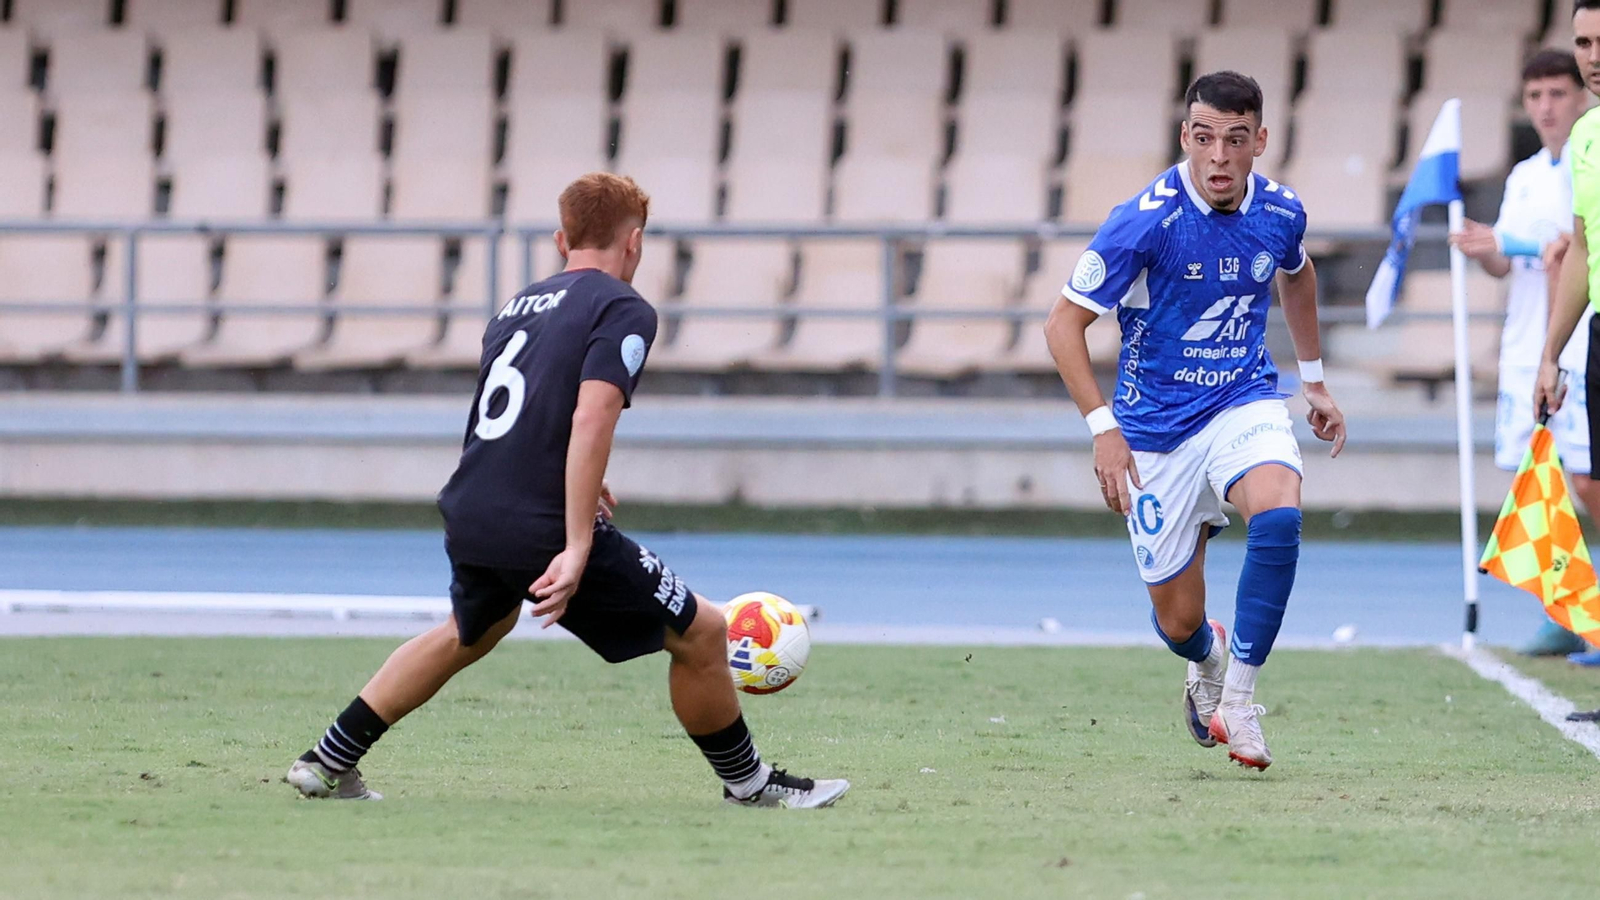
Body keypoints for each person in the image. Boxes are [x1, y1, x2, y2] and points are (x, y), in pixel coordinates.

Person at [284, 173, 849, 808]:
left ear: (561, 240)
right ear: (633, 243)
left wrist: (561, 472)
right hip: (539, 520)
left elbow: (509, 416)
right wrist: (577, 543)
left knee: (469, 631)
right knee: (701, 631)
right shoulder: (622, 307)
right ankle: (750, 785)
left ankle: (327, 759)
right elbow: (592, 415)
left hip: (474, 501)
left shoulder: (516, 306)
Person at [1044, 72, 1347, 770]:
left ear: (1259, 142)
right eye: (1204, 138)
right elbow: (1063, 324)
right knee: (1177, 622)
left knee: (1278, 513)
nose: (1219, 156)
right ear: (1186, 137)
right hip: (1153, 433)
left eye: (1236, 140)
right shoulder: (1143, 221)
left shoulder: (1281, 211)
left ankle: (1238, 700)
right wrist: (1104, 430)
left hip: (1243, 400)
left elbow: (1296, 275)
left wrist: (1314, 380)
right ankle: (1205, 659)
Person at [1452, 49, 1596, 659]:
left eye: (1556, 93)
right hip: (1524, 350)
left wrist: (1511, 239)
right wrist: (1481, 247)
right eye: (1535, 96)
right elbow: (1505, 262)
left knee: (1589, 482)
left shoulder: (1588, 158)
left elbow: (1572, 246)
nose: (1545, 107)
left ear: (1579, 95)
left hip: (1580, 343)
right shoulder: (1525, 174)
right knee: (1535, 483)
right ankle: (1565, 610)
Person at [1540, 1, 1600, 674]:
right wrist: (1550, 355)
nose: (1593, 55)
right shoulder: (1586, 135)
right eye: (1582, 41)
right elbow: (1583, 250)